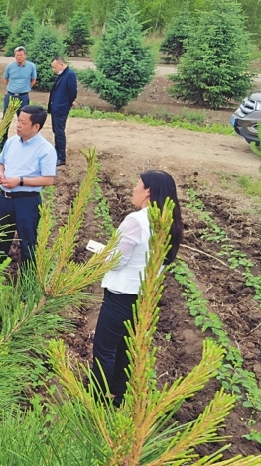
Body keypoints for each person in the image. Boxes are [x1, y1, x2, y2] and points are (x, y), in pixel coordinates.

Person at [91, 170, 183, 407]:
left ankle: (96, 401)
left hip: (120, 296)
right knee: (125, 350)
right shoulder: (169, 222)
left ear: (148, 192)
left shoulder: (137, 220)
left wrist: (102, 255)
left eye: (138, 185)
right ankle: (120, 399)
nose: (134, 188)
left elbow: (118, 260)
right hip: (144, 297)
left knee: (105, 350)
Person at [0, 105, 57, 266]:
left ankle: (26, 282)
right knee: (1, 239)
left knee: (27, 242)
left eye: (23, 122)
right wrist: (0, 174)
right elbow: (0, 163)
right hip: (5, 199)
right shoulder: (12, 142)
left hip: (27, 202)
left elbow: (48, 179)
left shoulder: (46, 150)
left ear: (36, 127)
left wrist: (20, 181)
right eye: (18, 121)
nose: (18, 125)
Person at [47, 56, 78, 166]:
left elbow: (72, 92)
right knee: (56, 132)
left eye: (54, 67)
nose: (54, 70)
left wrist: (68, 103)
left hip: (61, 108)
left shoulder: (70, 75)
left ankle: (61, 157)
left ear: (61, 65)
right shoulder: (62, 75)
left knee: (59, 132)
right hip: (56, 108)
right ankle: (57, 154)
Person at [3, 46, 37, 116]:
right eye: (17, 55)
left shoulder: (31, 66)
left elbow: (33, 80)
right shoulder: (10, 66)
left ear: (25, 56)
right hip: (11, 95)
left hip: (23, 96)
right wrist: (12, 87)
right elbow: (5, 79)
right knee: (6, 117)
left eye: (21, 55)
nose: (19, 57)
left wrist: (26, 88)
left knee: (23, 117)